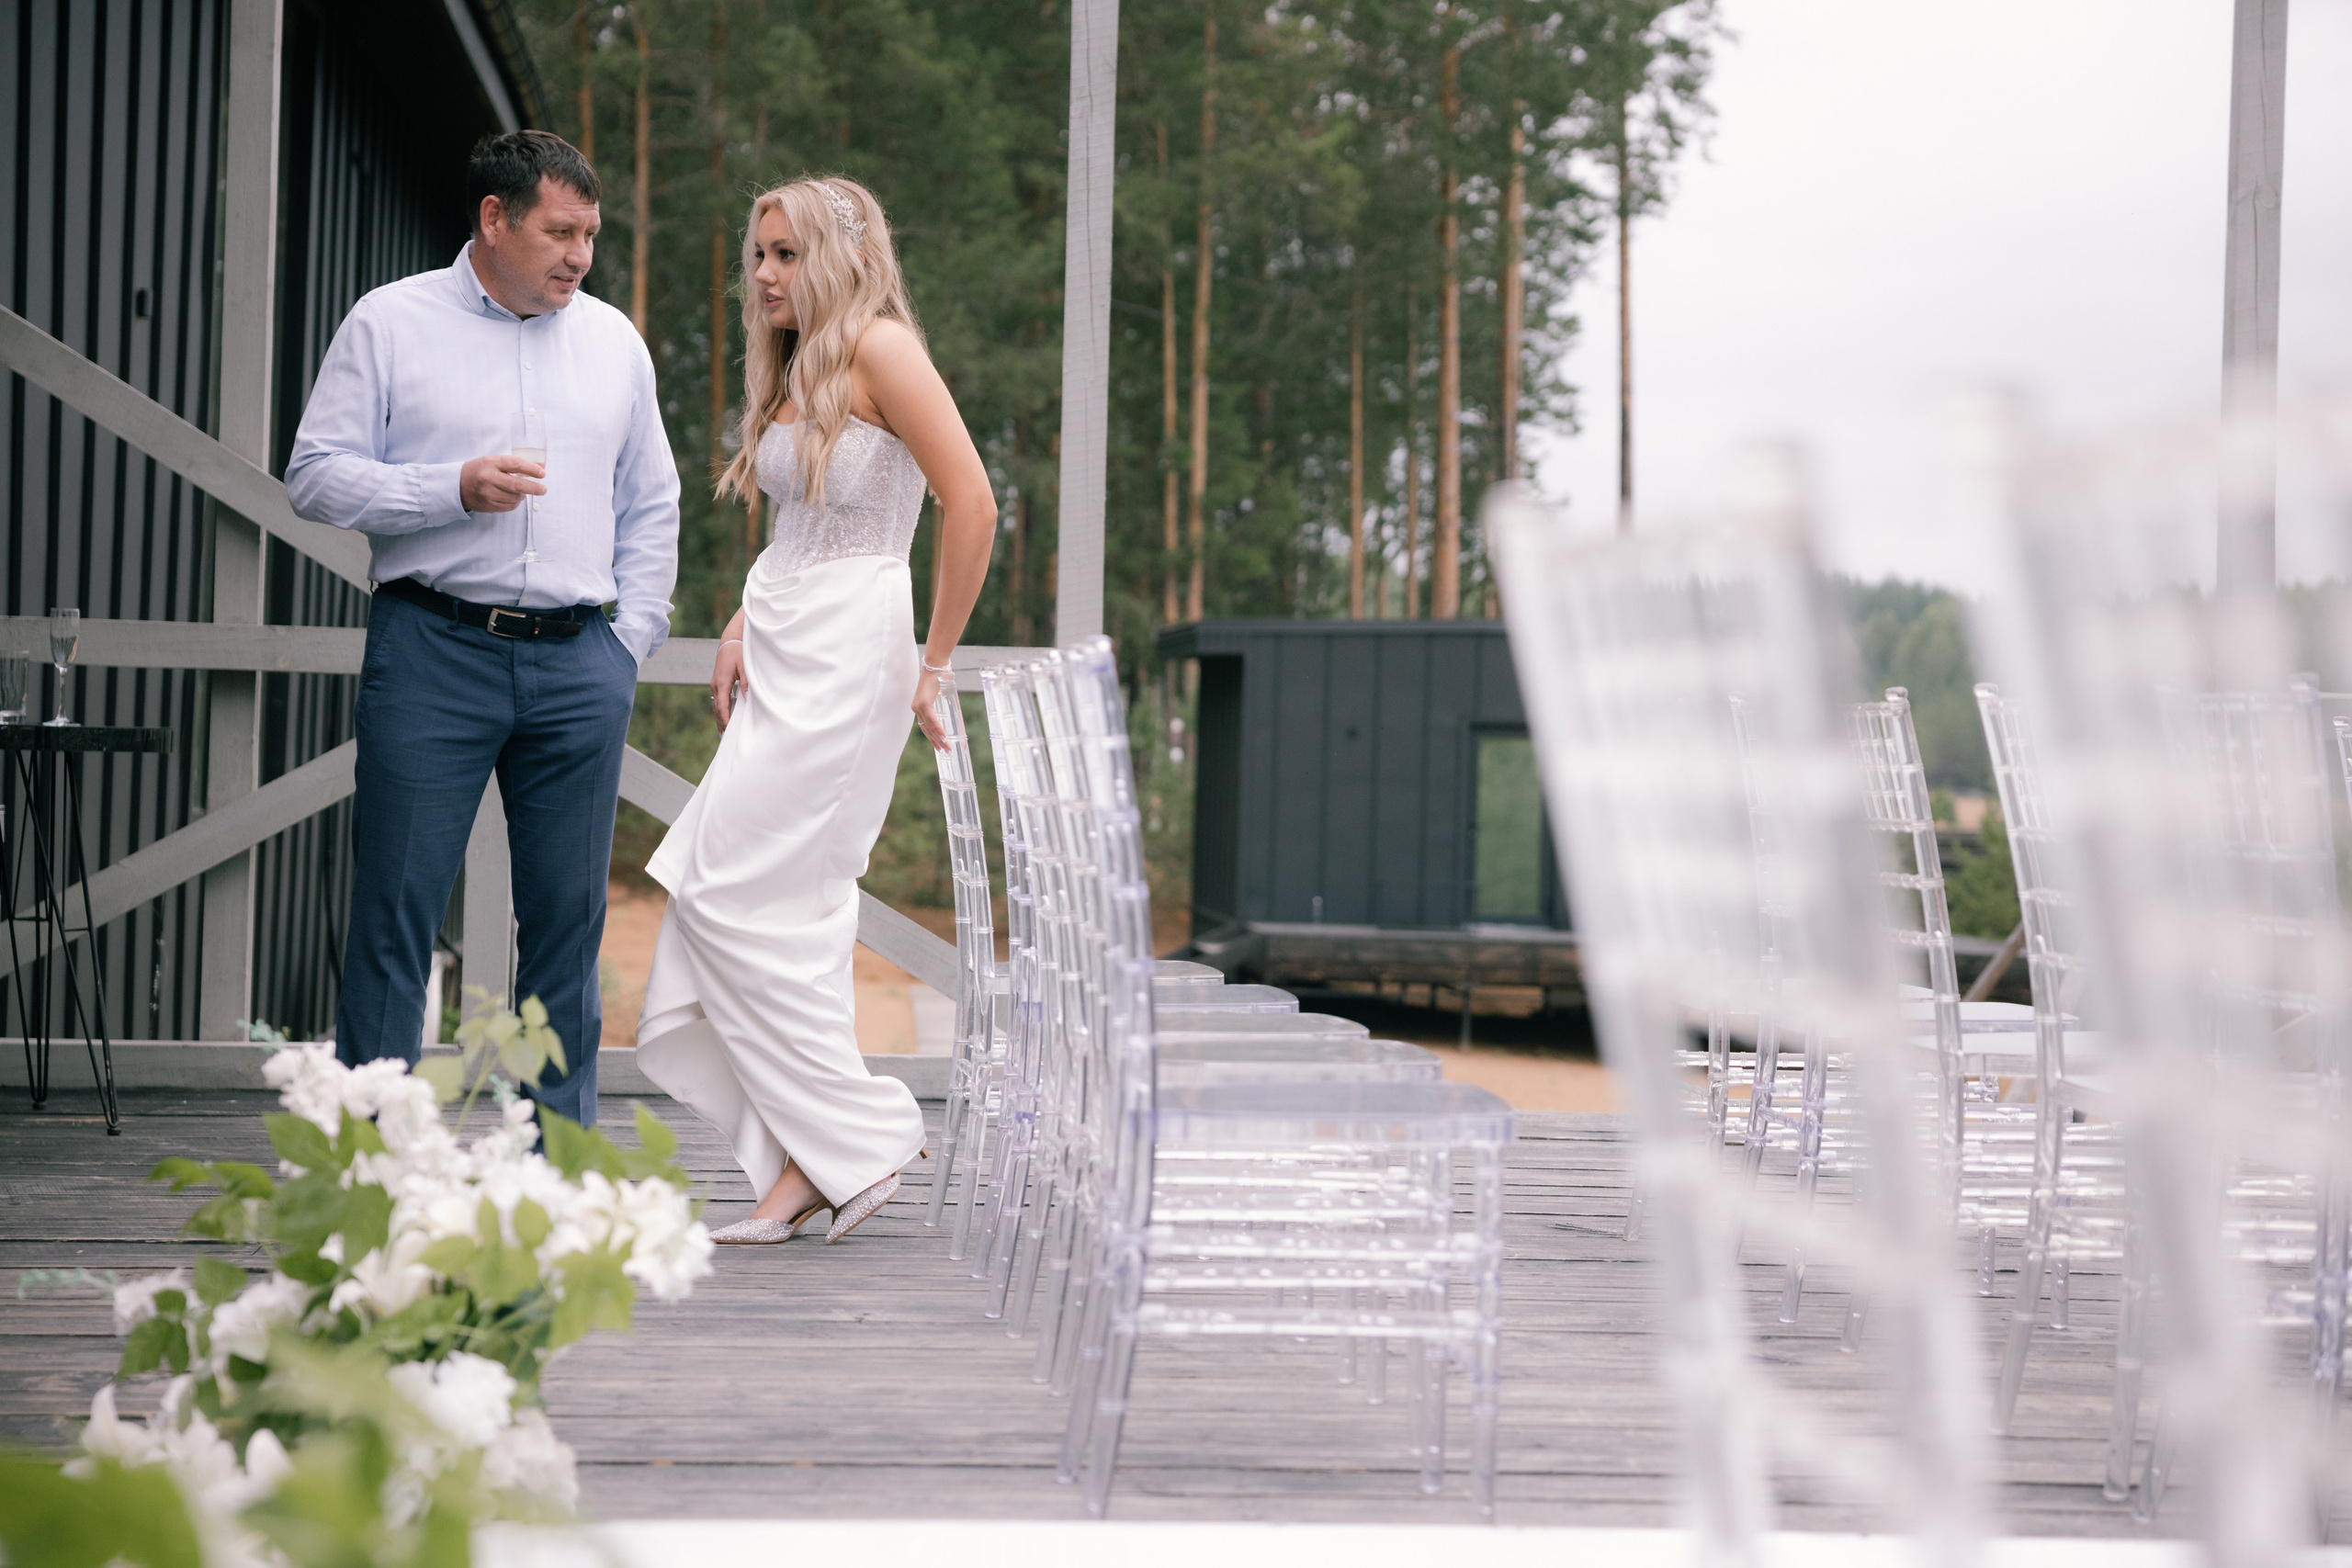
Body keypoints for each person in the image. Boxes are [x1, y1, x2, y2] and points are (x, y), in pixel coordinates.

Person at [286, 130, 680, 1128]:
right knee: (395, 916)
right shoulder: (390, 322)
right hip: (432, 654)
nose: (580, 256)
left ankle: (560, 1170)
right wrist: (448, 489)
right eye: (560, 232)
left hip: (579, 664)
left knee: (567, 928)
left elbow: (653, 504)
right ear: (494, 219)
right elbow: (315, 476)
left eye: (590, 235)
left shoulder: (613, 341)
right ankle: (370, 1167)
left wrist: (625, 642)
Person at [635, 175, 994, 1245]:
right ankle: (809, 1164)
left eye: (783, 255)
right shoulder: (799, 364)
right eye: (757, 254)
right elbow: (799, 523)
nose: (761, 274)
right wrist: (743, 621)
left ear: (837, 256)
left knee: (726, 889)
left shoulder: (883, 348)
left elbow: (970, 500)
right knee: (769, 905)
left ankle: (859, 1131)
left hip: (851, 650)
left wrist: (933, 663)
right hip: (786, 636)